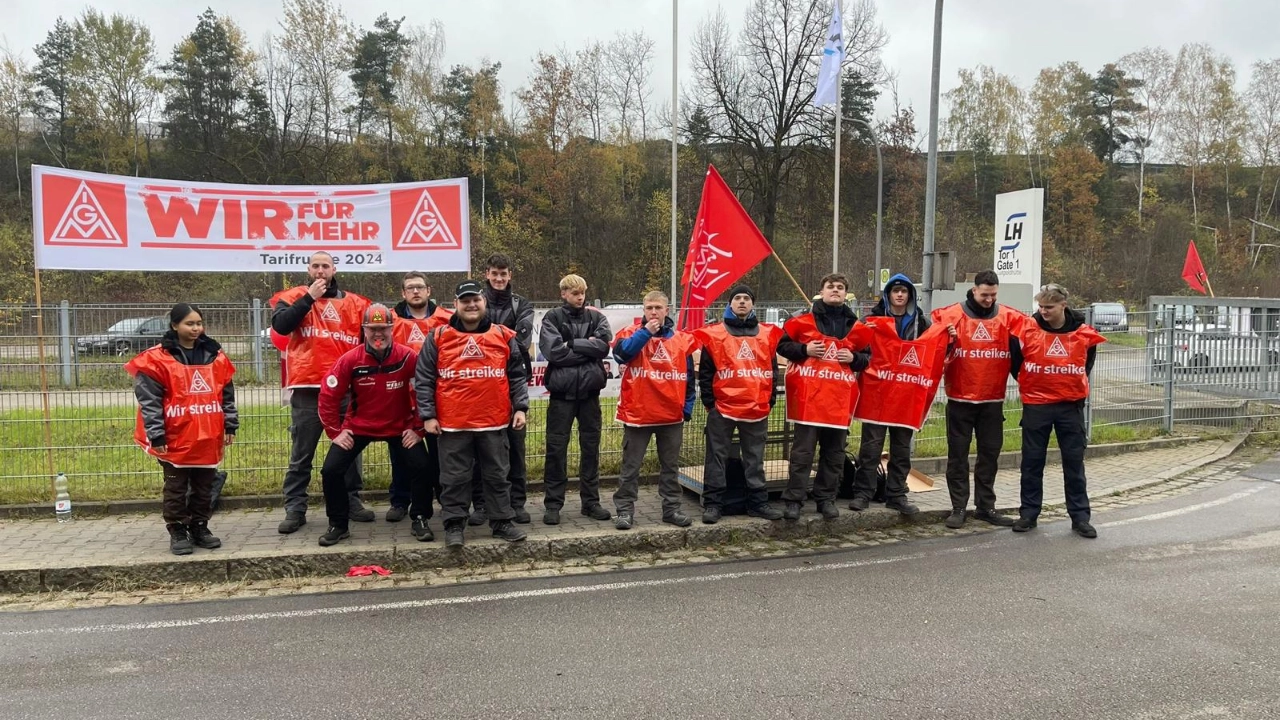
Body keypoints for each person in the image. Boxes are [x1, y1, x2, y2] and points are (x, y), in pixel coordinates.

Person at [416, 281, 530, 548]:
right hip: (453, 424)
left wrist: (520, 407)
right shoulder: (438, 337)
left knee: (497, 475)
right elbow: (424, 379)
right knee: (454, 478)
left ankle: (501, 522)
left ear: (484, 302)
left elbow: (517, 375)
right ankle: (455, 524)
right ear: (455, 304)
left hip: (494, 423)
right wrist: (428, 415)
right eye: (465, 301)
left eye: (475, 300)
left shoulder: (503, 335)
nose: (471, 305)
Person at [271, 251, 372, 534]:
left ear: (334, 270)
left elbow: (367, 343)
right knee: (302, 452)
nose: (320, 271)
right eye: (315, 266)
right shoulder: (293, 297)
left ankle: (350, 500)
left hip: (344, 390)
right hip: (307, 389)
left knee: (348, 448)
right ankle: (295, 508)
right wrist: (309, 299)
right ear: (308, 269)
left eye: (325, 266)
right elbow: (281, 326)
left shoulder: (356, 304)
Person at [316, 304, 433, 546]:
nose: (378, 334)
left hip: (399, 428)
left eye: (383, 328)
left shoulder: (408, 357)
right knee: (331, 470)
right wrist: (335, 432)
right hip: (359, 427)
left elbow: (424, 391)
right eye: (372, 329)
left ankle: (420, 518)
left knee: (422, 466)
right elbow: (328, 395)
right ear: (364, 329)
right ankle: (338, 524)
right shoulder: (350, 359)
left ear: (392, 328)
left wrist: (418, 429)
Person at [125, 303, 237, 556]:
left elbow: (227, 394)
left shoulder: (215, 356)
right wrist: (157, 434)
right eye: (190, 323)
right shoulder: (155, 360)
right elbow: (149, 402)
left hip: (207, 435)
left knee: (204, 486)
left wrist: (230, 423)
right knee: (176, 487)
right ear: (175, 325)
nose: (196, 328)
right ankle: (177, 529)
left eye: (199, 323)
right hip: (174, 436)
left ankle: (200, 526)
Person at [1009, 283, 1106, 538]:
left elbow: (1085, 364)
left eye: (1049, 307)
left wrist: (1066, 383)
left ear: (1063, 306)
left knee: (1074, 463)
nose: (1043, 311)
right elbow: (1016, 363)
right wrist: (1035, 384)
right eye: (1040, 306)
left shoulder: (1083, 333)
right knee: (1032, 462)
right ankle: (1029, 514)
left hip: (1069, 407)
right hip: (1036, 405)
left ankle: (1080, 517)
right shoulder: (1027, 330)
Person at [850, 273, 952, 517]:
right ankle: (863, 493)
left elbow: (935, 350)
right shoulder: (871, 320)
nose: (899, 295)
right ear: (888, 294)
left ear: (910, 295)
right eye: (895, 291)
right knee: (871, 447)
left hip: (906, 395)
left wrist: (949, 338)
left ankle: (896, 494)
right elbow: (855, 347)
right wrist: (862, 333)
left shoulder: (922, 322)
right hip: (877, 393)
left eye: (904, 291)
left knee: (902, 448)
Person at [930, 270, 1022, 528]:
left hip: (992, 401)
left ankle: (986, 507)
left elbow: (1029, 345)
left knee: (989, 456)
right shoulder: (951, 316)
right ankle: (958, 507)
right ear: (974, 290)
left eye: (993, 295)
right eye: (984, 295)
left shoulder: (1008, 318)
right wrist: (946, 340)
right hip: (960, 400)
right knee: (957, 456)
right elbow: (933, 350)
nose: (989, 300)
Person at [777, 274, 872, 521]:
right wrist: (804, 349)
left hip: (839, 402)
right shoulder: (803, 320)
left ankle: (826, 499)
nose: (835, 290)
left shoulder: (855, 326)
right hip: (809, 400)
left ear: (846, 294)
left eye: (840, 287)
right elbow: (782, 346)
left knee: (834, 453)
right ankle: (794, 500)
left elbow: (867, 358)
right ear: (821, 291)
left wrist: (854, 358)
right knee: (802, 454)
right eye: (830, 286)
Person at [693, 284, 784, 523]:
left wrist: (770, 399)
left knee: (755, 458)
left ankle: (758, 503)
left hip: (757, 407)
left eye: (746, 298)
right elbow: (706, 372)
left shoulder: (766, 334)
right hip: (722, 408)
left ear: (753, 304)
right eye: (737, 298)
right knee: (716, 457)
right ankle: (713, 504)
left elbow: (772, 370)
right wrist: (710, 403)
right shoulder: (715, 334)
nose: (742, 301)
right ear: (730, 304)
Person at [611, 291, 697, 529]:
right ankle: (625, 510)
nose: (653, 312)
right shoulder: (630, 333)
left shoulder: (681, 340)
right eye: (649, 308)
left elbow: (689, 377)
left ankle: (672, 509)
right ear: (643, 310)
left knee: (670, 467)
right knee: (631, 467)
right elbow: (621, 355)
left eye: (658, 307)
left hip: (671, 416)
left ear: (667, 310)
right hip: (638, 415)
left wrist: (686, 408)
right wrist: (646, 332)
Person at [539, 274, 613, 525]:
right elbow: (554, 352)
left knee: (590, 449)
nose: (580, 297)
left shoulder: (596, 317)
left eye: (582, 292)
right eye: (574, 293)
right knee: (556, 450)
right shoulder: (552, 318)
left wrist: (571, 344)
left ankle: (590, 502)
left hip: (590, 396)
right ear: (564, 294)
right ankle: (553, 504)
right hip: (561, 397)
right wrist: (586, 349)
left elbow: (603, 347)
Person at [467, 254, 535, 526]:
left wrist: (489, 343)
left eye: (503, 273)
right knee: (479, 450)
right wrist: (501, 339)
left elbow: (522, 340)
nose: (498, 278)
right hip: (479, 385)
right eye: (494, 273)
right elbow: (468, 340)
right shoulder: (475, 302)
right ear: (486, 274)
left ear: (510, 275)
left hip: (513, 382)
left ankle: (516, 504)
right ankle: (481, 505)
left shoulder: (522, 304)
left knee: (516, 448)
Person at [387, 271, 449, 524]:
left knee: (439, 453)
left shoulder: (446, 319)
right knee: (402, 453)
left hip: (436, 397)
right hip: (400, 396)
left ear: (428, 290)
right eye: (410, 288)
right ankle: (400, 501)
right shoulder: (390, 319)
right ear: (403, 293)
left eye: (420, 287)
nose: (415, 291)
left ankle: (444, 498)